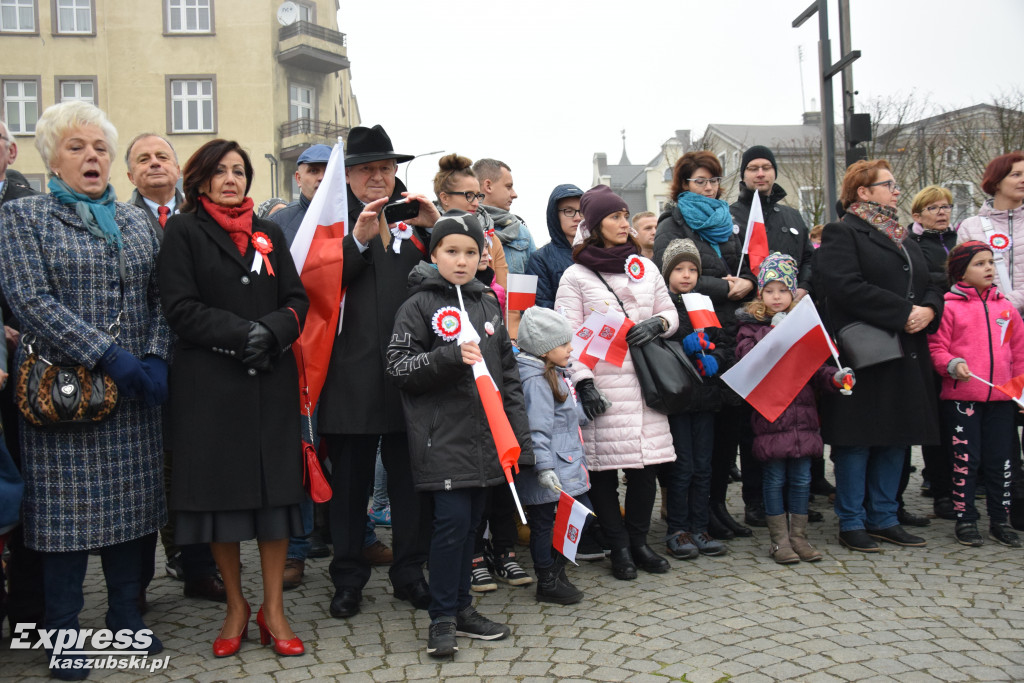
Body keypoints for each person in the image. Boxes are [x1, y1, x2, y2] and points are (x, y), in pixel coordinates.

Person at [0, 101, 171, 679]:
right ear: (51, 156)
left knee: (133, 513)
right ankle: (64, 633)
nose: (91, 156)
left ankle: (126, 618)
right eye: (77, 147)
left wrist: (154, 356)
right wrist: (108, 355)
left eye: (99, 147)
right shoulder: (24, 218)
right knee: (63, 524)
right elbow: (30, 301)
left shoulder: (136, 220)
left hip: (134, 398)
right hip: (61, 396)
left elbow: (160, 298)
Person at [158, 139, 309, 658]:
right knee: (219, 502)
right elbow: (178, 306)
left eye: (239, 171)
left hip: (270, 383)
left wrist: (272, 331)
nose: (231, 179)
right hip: (210, 387)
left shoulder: (268, 232)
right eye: (220, 171)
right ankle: (236, 606)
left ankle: (273, 610)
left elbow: (296, 299)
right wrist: (242, 334)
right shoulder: (183, 231)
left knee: (274, 502)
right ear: (199, 180)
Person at [387, 210, 531, 657]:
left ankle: (463, 607)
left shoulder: (489, 302)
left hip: (487, 442)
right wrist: (448, 357)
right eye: (452, 251)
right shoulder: (417, 305)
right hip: (441, 440)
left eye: (471, 252)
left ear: (483, 256)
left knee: (472, 526)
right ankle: (442, 618)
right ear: (435, 254)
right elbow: (398, 366)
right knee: (449, 526)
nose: (462, 260)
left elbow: (507, 375)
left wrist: (518, 436)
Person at [317, 124, 437, 619]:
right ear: (346, 175)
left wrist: (436, 228)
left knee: (411, 484)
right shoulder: (328, 224)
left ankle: (410, 573)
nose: (378, 177)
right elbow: (316, 291)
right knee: (350, 487)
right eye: (367, 169)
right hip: (351, 378)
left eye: (386, 168)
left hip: (411, 375)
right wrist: (358, 243)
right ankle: (347, 579)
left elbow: (463, 274)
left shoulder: (414, 222)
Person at [815, 159, 942, 553]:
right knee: (858, 440)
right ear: (863, 193)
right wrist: (903, 313)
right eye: (888, 185)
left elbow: (933, 281)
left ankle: (884, 517)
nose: (897, 190)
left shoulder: (902, 236)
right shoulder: (843, 232)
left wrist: (930, 309)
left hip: (907, 351)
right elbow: (844, 287)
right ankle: (852, 521)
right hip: (866, 353)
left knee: (896, 437)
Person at [556, 184, 679, 581]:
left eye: (626, 215)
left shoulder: (644, 266)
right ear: (594, 225)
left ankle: (640, 542)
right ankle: (618, 546)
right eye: (615, 216)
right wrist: (584, 382)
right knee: (605, 471)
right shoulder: (575, 275)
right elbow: (568, 334)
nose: (624, 223)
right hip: (604, 386)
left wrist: (658, 324)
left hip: (645, 381)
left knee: (645, 468)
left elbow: (670, 311)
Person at [124, 131, 226, 604]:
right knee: (152, 470)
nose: (154, 164)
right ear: (129, 175)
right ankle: (142, 578)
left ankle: (200, 566)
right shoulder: (120, 221)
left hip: (202, 358)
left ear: (179, 166)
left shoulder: (203, 217)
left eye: (162, 155)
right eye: (143, 159)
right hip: (143, 362)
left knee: (198, 462)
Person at [433, 153, 530, 589]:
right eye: (466, 195)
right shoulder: (432, 260)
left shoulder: (491, 239)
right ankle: (470, 555)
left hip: (495, 347)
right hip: (453, 400)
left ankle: (503, 547)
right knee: (467, 482)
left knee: (500, 465)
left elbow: (506, 293)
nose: (475, 202)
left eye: (477, 194)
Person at [653, 150, 756, 541]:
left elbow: (744, 264)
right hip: (696, 337)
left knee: (726, 431)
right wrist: (728, 288)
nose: (709, 187)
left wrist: (748, 282)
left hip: (730, 337)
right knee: (698, 444)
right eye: (701, 181)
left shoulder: (726, 223)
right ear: (684, 184)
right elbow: (675, 276)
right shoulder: (671, 223)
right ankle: (692, 519)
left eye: (713, 180)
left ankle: (715, 507)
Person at [735, 253, 854, 564]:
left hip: (803, 419)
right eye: (770, 290)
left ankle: (799, 537)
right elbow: (747, 358)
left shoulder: (803, 325)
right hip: (772, 418)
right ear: (761, 293)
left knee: (801, 480)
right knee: (774, 480)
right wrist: (773, 332)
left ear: (792, 293)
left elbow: (816, 367)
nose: (777, 297)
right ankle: (779, 540)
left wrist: (835, 377)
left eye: (783, 290)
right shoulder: (750, 326)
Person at [928, 241, 1024, 548]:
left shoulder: (1006, 308)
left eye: (990, 262)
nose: (989, 268)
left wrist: (1019, 393)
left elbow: (1019, 353)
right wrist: (952, 365)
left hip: (1001, 401)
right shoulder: (949, 307)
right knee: (965, 462)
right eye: (979, 263)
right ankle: (965, 519)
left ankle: (1000, 520)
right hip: (962, 400)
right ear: (961, 271)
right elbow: (936, 348)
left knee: (1002, 462)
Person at [954, 152, 1024, 530]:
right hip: (987, 335)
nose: (1022, 180)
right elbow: (962, 272)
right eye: (1016, 174)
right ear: (996, 180)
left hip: (1016, 321)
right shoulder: (972, 225)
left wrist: (1010, 304)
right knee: (999, 432)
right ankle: (1001, 505)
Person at [659, 238, 732, 560]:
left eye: (692, 269)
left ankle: (700, 526)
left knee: (704, 466)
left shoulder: (705, 305)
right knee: (682, 467)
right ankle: (678, 529)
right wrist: (680, 342)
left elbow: (724, 342)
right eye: (679, 269)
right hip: (679, 400)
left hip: (707, 397)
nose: (686, 275)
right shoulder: (664, 308)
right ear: (668, 273)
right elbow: (659, 347)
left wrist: (716, 357)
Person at [515, 306, 590, 604]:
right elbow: (537, 429)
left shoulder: (556, 372)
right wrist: (544, 468)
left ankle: (557, 571)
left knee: (579, 516)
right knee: (545, 523)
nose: (571, 348)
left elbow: (567, 415)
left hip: (566, 464)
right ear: (545, 350)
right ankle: (547, 577)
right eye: (563, 344)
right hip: (550, 470)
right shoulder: (536, 380)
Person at [0, 117, 42, 640]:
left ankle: (29, 612)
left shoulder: (25, 206)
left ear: (10, 151)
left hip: (21, 372)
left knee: (20, 493)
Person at [909, 186, 959, 521]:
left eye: (946, 207)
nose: (941, 213)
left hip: (966, 334)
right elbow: (928, 283)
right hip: (934, 332)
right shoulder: (914, 246)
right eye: (933, 207)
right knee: (937, 416)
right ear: (918, 214)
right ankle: (940, 486)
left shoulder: (959, 242)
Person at [473, 158, 536, 278]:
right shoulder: (462, 226)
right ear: (488, 186)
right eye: (508, 187)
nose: (514, 194)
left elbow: (534, 282)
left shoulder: (521, 232)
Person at [526, 184, 584, 310]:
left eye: (582, 211)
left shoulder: (600, 252)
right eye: (569, 211)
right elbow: (542, 310)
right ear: (554, 215)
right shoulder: (540, 260)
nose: (578, 217)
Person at [270, 143, 330, 244]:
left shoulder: (358, 220)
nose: (321, 178)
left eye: (329, 171)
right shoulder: (277, 223)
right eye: (314, 171)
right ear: (298, 179)